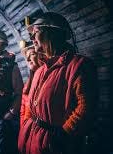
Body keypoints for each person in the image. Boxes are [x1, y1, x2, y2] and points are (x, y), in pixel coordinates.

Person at [18, 12, 97, 154]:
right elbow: (30, 103)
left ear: (51, 34)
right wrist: (26, 125)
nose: (32, 38)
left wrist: (62, 136)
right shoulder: (40, 69)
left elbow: (86, 108)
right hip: (31, 137)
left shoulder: (79, 65)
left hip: (52, 143)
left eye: (35, 32)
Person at [18, 41, 42, 129]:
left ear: (41, 55)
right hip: (28, 130)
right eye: (26, 56)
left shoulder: (50, 78)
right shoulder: (27, 86)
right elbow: (23, 112)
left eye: (32, 54)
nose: (27, 59)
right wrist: (23, 130)